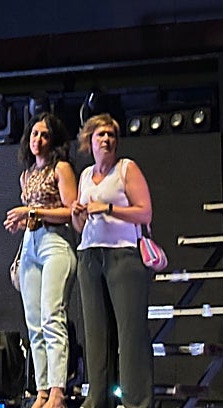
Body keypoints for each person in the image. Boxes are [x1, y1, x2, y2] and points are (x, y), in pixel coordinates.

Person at [70, 114, 154, 408]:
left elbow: (144, 213)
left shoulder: (125, 168)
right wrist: (77, 215)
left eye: (111, 135)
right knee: (96, 336)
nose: (106, 140)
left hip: (122, 255)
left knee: (130, 335)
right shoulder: (84, 176)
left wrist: (106, 207)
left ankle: (137, 402)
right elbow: (81, 228)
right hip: (89, 255)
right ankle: (98, 399)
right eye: (100, 135)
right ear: (89, 141)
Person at [3, 114, 76, 408]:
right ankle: (42, 390)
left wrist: (29, 212)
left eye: (44, 135)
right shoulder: (27, 174)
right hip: (31, 244)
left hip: (55, 243)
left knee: (51, 318)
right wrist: (22, 222)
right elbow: (31, 215)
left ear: (54, 140)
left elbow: (71, 211)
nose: (38, 140)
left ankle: (58, 390)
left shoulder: (61, 169)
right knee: (33, 323)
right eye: (34, 134)